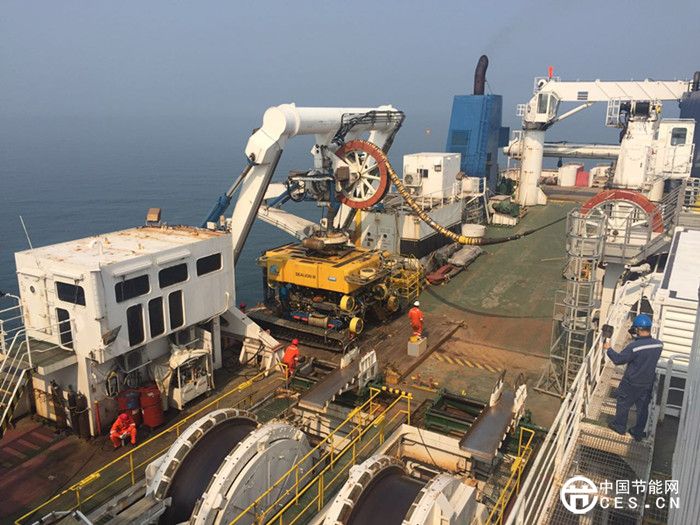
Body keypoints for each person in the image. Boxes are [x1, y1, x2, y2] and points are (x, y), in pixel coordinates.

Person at [604, 314, 663, 441]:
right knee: (642, 408)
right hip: (647, 382)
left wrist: (608, 349)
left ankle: (619, 426)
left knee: (623, 403)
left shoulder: (634, 347)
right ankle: (638, 432)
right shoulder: (658, 345)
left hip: (631, 382)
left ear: (637, 329)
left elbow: (618, 360)